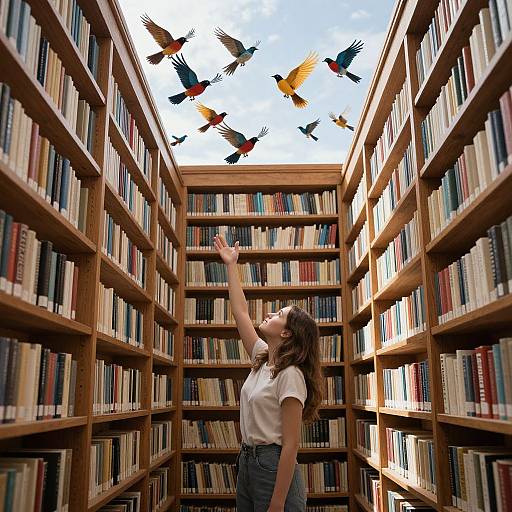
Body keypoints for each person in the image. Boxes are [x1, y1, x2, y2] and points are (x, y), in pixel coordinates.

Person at [213, 234, 323, 512]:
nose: (269, 315)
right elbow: (240, 313)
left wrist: (277, 503)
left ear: (286, 333)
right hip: (248, 460)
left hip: (272, 465)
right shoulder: (262, 357)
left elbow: (290, 446)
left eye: (277, 314)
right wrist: (231, 266)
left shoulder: (291, 375)